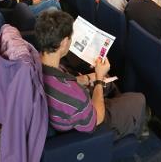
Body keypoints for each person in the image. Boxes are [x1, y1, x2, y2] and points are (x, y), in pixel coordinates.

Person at [36, 9, 146, 140]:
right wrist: (99, 79)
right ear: (64, 42)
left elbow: (62, 82)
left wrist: (86, 78)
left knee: (109, 84)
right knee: (139, 99)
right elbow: (97, 118)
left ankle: (119, 107)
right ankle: (134, 129)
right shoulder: (74, 97)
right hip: (93, 124)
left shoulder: (37, 61)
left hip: (69, 110)